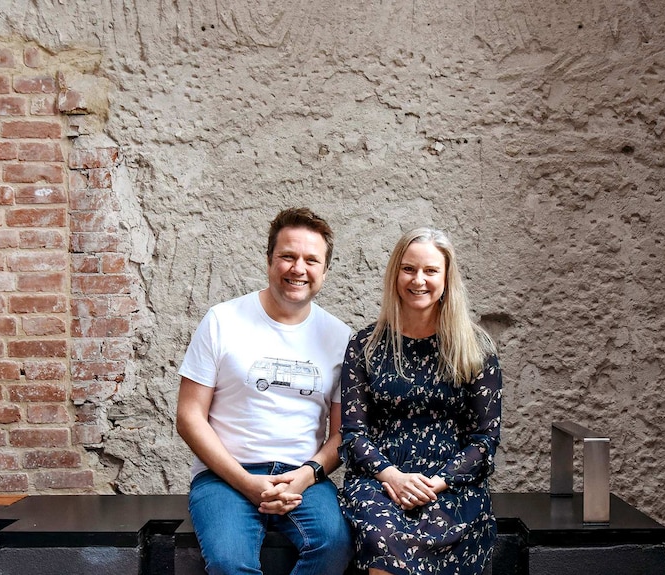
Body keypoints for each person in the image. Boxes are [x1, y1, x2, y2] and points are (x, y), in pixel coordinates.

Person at [176, 207, 353, 575]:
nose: (298, 269)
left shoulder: (340, 337)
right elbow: (189, 416)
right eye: (287, 256)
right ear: (269, 259)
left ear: (325, 269)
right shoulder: (222, 321)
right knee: (229, 563)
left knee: (336, 545)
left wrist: (306, 475)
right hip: (224, 475)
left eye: (311, 260)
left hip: (304, 477)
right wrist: (246, 482)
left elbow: (341, 435)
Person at [339, 227, 503, 575]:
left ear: (446, 278)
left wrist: (438, 482)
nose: (419, 280)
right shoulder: (365, 345)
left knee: (443, 530)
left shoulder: (476, 348)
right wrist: (393, 477)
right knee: (384, 537)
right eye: (409, 269)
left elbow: (485, 440)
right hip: (380, 480)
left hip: (451, 481)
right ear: (395, 274)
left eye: (430, 270)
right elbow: (353, 434)